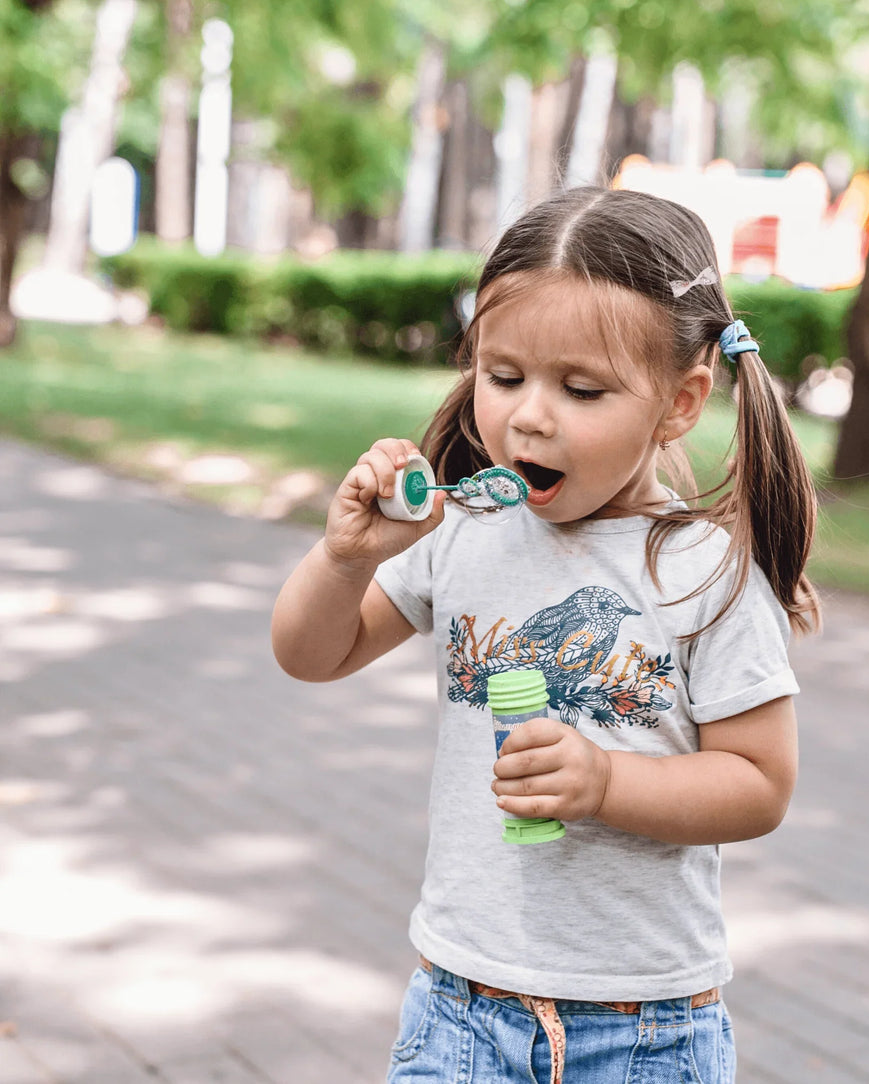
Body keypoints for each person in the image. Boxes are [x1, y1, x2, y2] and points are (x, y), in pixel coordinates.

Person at [271, 185, 820, 1084]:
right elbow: (311, 652)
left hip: (642, 1030)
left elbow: (759, 784)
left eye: (581, 388)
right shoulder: (459, 533)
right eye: (503, 376)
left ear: (679, 403)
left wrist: (607, 779)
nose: (528, 415)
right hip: (459, 1006)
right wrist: (343, 561)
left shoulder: (704, 575)